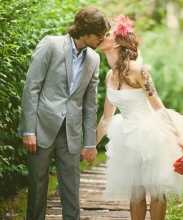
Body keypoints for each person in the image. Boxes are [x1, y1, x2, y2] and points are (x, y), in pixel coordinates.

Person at [96, 15, 183, 220]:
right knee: (136, 192)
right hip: (127, 136)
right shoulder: (109, 76)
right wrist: (89, 147)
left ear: (118, 44)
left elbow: (158, 105)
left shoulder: (138, 71)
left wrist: (177, 135)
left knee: (156, 190)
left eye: (109, 34)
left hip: (151, 133)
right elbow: (107, 117)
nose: (104, 36)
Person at [18, 7, 110, 220]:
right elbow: (31, 88)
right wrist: (28, 130)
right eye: (100, 34)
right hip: (41, 129)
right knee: (37, 190)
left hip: (71, 133)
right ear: (86, 31)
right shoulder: (51, 45)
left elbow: (89, 105)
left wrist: (89, 143)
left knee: (72, 191)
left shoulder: (94, 59)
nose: (102, 39)